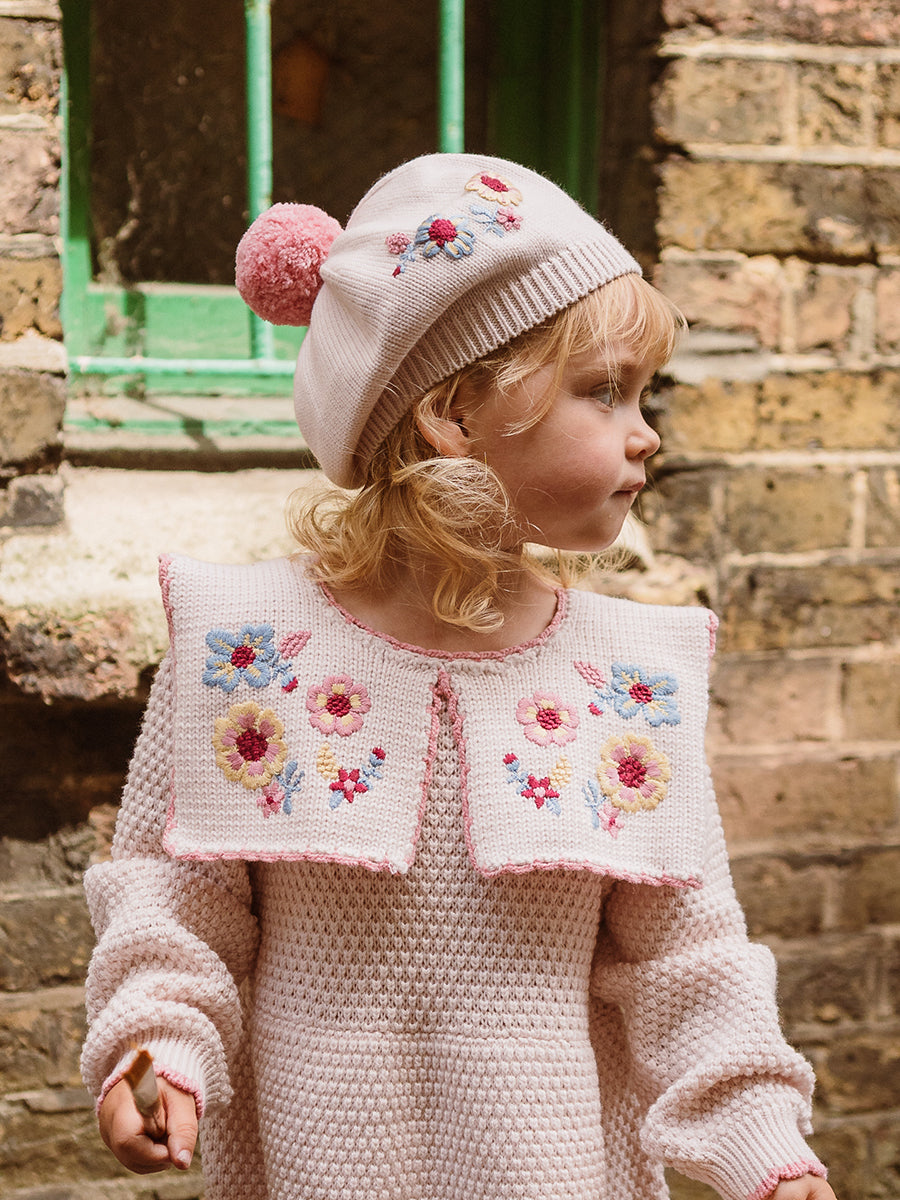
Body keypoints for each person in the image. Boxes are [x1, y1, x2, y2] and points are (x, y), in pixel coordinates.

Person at [81, 153, 836, 1200]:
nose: (647, 432)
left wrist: (765, 1152)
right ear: (453, 413)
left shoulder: (627, 682)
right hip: (313, 1170)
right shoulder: (247, 651)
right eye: (604, 390)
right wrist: (155, 1049)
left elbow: (687, 959)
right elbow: (176, 905)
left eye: (643, 393)